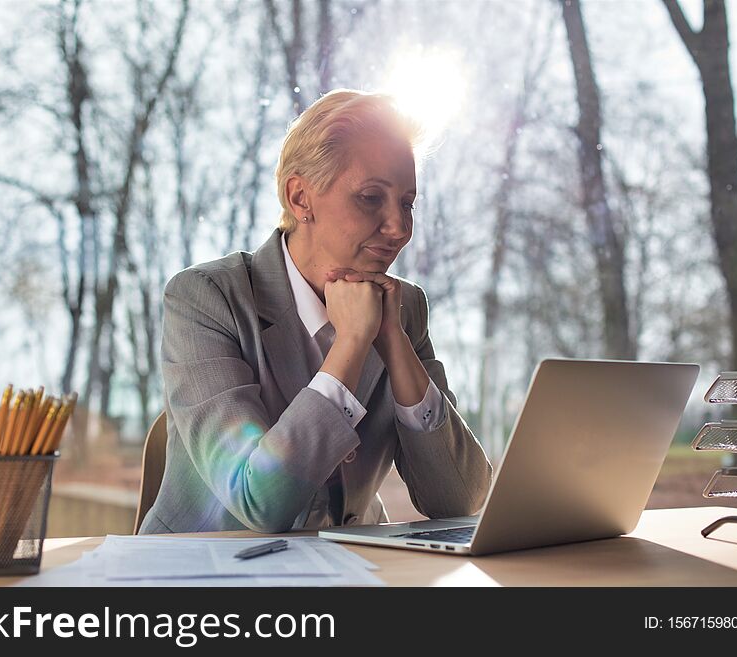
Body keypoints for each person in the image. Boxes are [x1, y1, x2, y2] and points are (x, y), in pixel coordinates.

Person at [139, 89, 492, 534]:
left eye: (407, 203)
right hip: (203, 578)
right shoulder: (206, 299)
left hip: (349, 570)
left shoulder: (405, 310)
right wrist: (351, 344)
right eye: (370, 198)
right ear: (300, 198)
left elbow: (459, 497)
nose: (399, 228)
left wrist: (393, 341)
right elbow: (258, 503)